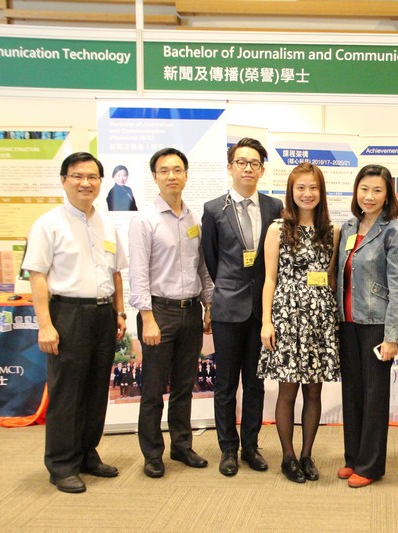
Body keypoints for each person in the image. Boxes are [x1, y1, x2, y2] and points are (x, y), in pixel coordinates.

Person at [23, 152, 127, 494]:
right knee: (67, 393)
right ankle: (61, 465)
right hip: (67, 314)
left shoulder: (106, 222)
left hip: (102, 315)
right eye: (78, 176)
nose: (86, 182)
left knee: (96, 390)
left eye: (93, 176)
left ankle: (87, 454)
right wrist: (45, 325)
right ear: (64, 180)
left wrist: (119, 312)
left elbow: (115, 273)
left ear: (101, 181)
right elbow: (37, 277)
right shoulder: (47, 224)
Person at [129, 147, 214, 479]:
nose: (171, 176)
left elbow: (203, 269)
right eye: (164, 171)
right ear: (155, 177)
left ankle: (181, 446)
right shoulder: (144, 220)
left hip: (190, 311)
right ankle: (152, 453)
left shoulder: (194, 219)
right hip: (159, 312)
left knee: (183, 385)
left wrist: (208, 306)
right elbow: (137, 273)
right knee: (152, 389)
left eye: (177, 170)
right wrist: (147, 317)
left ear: (186, 175)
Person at [202, 137, 284, 477]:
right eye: (241, 162)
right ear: (230, 167)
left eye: (254, 163)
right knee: (225, 384)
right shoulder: (212, 209)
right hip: (227, 308)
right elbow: (211, 258)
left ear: (262, 170)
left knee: (255, 383)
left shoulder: (274, 207)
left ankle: (250, 446)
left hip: (261, 309)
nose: (248, 168)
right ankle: (227, 449)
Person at [258, 163, 341, 484]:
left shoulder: (333, 232)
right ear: (291, 193)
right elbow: (269, 279)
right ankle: (288, 457)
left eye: (313, 188)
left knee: (314, 392)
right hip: (286, 316)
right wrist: (267, 321)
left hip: (320, 318)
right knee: (287, 392)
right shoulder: (277, 229)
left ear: (321, 193)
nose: (307, 194)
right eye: (300, 188)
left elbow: (332, 278)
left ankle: (307, 455)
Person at [336, 164, 398, 488]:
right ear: (356, 191)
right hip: (348, 322)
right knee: (351, 392)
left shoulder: (395, 231)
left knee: (373, 395)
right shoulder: (348, 226)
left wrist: (393, 336)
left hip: (376, 324)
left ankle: (370, 465)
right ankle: (353, 457)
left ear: (387, 194)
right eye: (364, 189)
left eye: (377, 190)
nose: (369, 196)